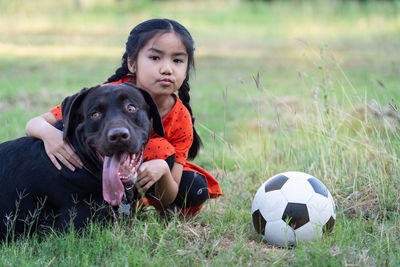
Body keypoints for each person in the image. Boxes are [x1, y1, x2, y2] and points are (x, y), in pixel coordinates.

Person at [25, 18, 222, 216]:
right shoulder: (106, 96)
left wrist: (162, 169)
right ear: (132, 63)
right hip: (99, 167)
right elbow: (35, 123)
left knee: (193, 186)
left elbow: (168, 197)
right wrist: (51, 136)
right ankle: (116, 205)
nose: (167, 69)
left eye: (177, 60)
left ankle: (134, 204)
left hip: (148, 174)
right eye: (155, 58)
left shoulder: (180, 118)